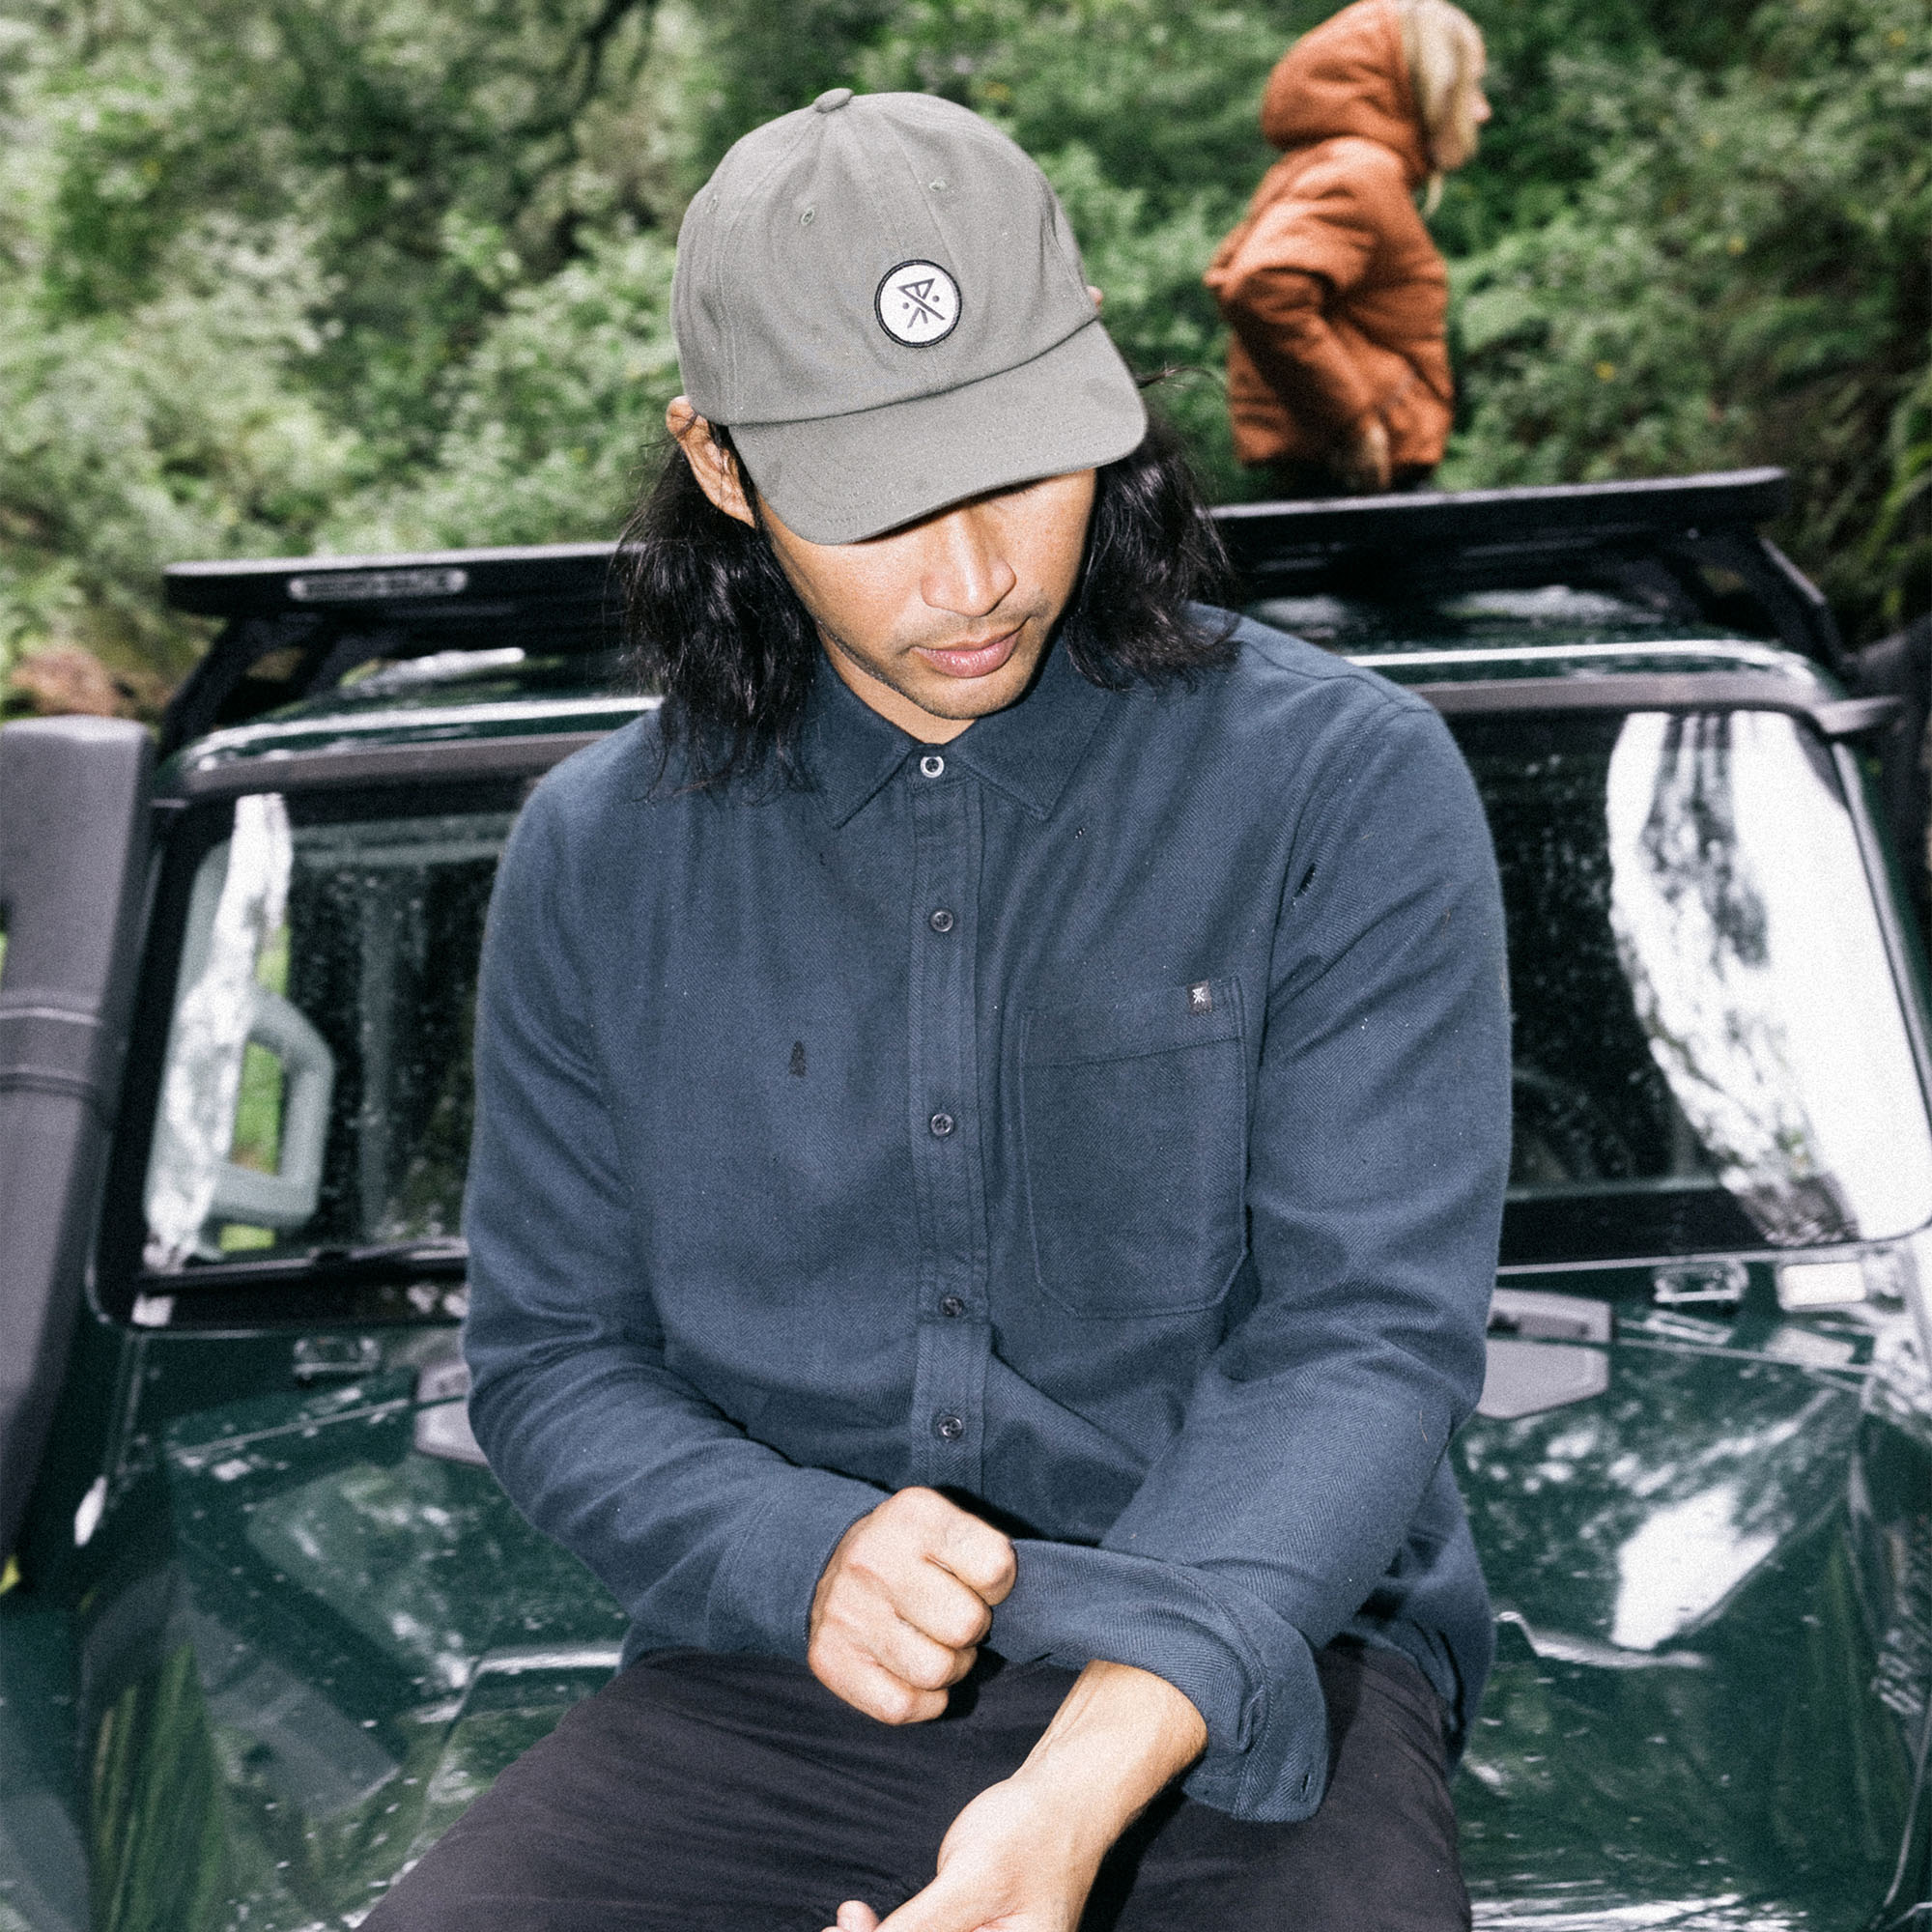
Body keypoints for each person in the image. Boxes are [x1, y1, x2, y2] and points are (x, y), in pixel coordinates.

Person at [368, 86, 1509, 1932]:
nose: (976, 576)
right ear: (724, 466)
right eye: (883, 504)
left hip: (1260, 1662)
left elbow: (1362, 1342)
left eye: (1019, 467)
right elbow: (553, 1360)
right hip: (775, 1681)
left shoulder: (1344, 787)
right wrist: (797, 1552)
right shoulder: (594, 855)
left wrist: (1068, 1799)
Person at [1206, 0, 1490, 497]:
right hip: (1353, 483)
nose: (1482, 111)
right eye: (1471, 88)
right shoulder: (1360, 172)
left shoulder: (1330, 166)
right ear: (1431, 90)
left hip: (1339, 480)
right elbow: (1262, 288)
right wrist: (1353, 425)